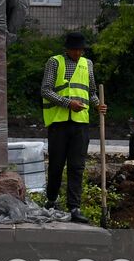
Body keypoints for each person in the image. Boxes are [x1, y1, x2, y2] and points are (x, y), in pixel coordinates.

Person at [40, 32, 107, 223]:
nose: (78, 53)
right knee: (56, 165)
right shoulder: (55, 62)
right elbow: (45, 90)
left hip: (80, 124)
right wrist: (67, 103)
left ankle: (74, 207)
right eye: (75, 49)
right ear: (67, 49)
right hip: (59, 123)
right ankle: (51, 200)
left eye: (80, 50)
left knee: (77, 167)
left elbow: (91, 92)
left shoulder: (88, 64)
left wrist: (97, 104)